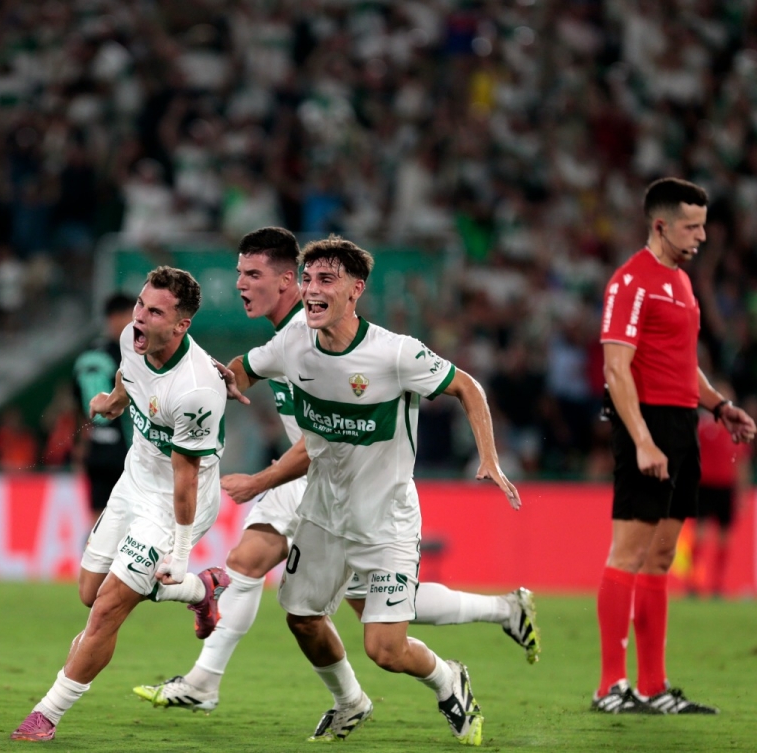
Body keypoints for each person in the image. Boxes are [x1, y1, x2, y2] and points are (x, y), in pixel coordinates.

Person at [134, 227, 539, 716]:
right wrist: (170, 393)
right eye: (239, 273)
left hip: (348, 490)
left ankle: (475, 635)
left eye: (252, 274)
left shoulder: (388, 352)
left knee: (378, 629)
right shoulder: (289, 343)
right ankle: (236, 686)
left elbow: (324, 439)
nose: (240, 283)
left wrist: (262, 480)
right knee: (276, 585)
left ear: (287, 283)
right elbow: (237, 374)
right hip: (320, 491)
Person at [10, 267, 229, 742]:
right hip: (133, 483)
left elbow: (186, 478)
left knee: (106, 610)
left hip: (175, 502)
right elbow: (129, 372)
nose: (141, 318)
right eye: (140, 305)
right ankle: (200, 590)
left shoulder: (195, 391)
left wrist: (180, 553)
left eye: (155, 312)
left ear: (181, 326)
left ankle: (45, 716)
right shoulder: (135, 338)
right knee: (89, 592)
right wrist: (113, 400)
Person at [595, 177, 756, 715]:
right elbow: (616, 370)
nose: (703, 235)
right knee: (629, 552)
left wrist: (717, 405)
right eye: (692, 225)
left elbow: (684, 364)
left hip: (683, 425)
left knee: (662, 557)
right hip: (647, 426)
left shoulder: (682, 284)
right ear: (660, 225)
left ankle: (656, 685)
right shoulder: (630, 282)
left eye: (705, 224)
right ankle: (611, 686)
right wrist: (641, 440)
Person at [72, 293, 135, 514]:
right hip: (126, 449)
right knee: (131, 519)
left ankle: (93, 549)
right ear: (115, 317)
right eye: (131, 315)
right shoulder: (127, 355)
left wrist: (81, 443)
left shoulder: (86, 355)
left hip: (95, 450)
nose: (136, 322)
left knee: (97, 518)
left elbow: (78, 405)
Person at [690, 384, 749, 598]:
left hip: (726, 489)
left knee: (724, 539)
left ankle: (717, 585)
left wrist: (741, 494)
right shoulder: (703, 428)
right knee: (700, 536)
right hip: (705, 487)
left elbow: (741, 463)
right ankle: (694, 583)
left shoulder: (736, 430)